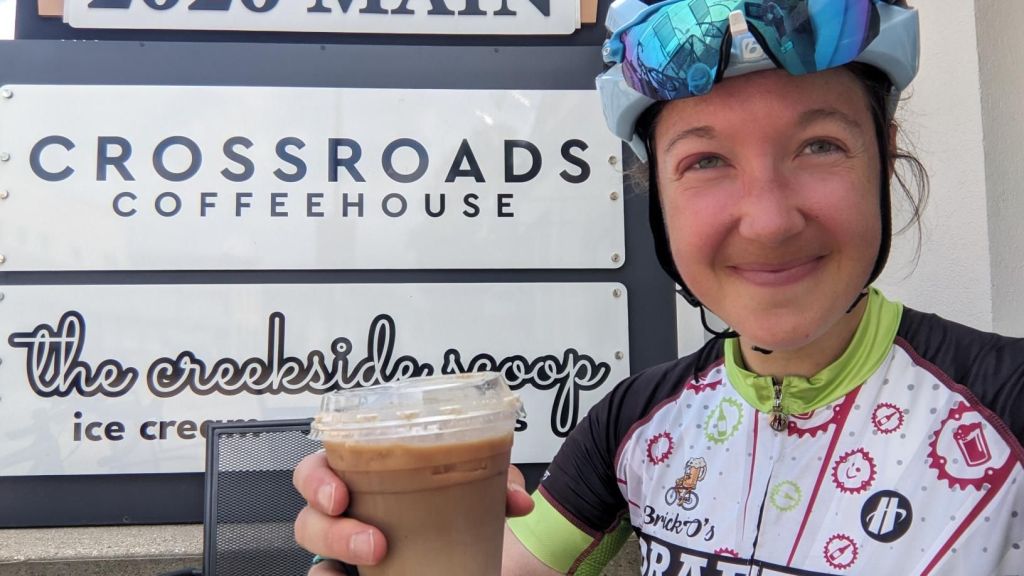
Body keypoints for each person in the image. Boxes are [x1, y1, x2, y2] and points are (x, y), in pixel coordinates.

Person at [293, 1, 1024, 574]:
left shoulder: (1008, 407)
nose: (769, 220)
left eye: (819, 145)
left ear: (884, 159)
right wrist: (377, 545)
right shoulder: (632, 423)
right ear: (656, 195)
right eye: (705, 161)